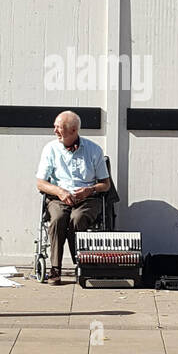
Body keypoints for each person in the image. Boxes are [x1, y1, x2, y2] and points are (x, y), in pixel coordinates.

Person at [35, 110, 112, 285]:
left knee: (77, 219)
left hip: (86, 199)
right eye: (55, 126)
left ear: (74, 131)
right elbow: (40, 183)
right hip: (58, 197)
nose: (55, 131)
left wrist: (90, 189)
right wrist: (60, 192)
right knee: (58, 219)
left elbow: (105, 184)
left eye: (59, 128)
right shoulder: (50, 149)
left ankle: (81, 265)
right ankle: (55, 268)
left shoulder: (94, 150)